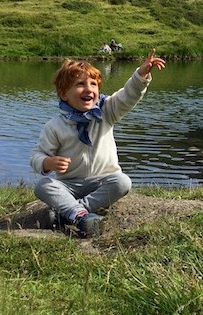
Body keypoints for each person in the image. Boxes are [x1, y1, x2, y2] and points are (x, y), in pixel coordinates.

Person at [30, 49, 166, 237]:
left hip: (101, 182)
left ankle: (75, 213)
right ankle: (79, 214)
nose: (89, 89)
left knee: (122, 182)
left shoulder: (106, 112)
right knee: (43, 185)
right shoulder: (54, 126)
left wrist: (140, 75)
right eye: (80, 84)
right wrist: (47, 163)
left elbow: (127, 96)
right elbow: (37, 155)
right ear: (63, 94)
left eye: (93, 84)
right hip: (69, 185)